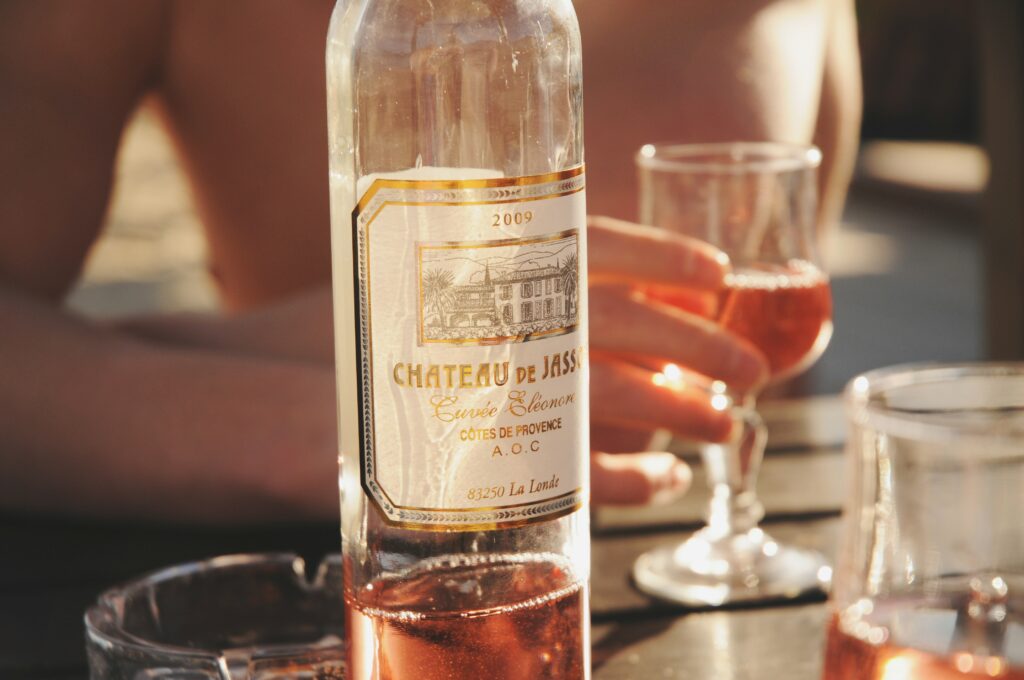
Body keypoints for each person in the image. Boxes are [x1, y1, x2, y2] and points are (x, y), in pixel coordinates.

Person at [0, 0, 859, 522]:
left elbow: (768, 398)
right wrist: (342, 425)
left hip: (675, 599)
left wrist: (228, 349)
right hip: (340, 588)